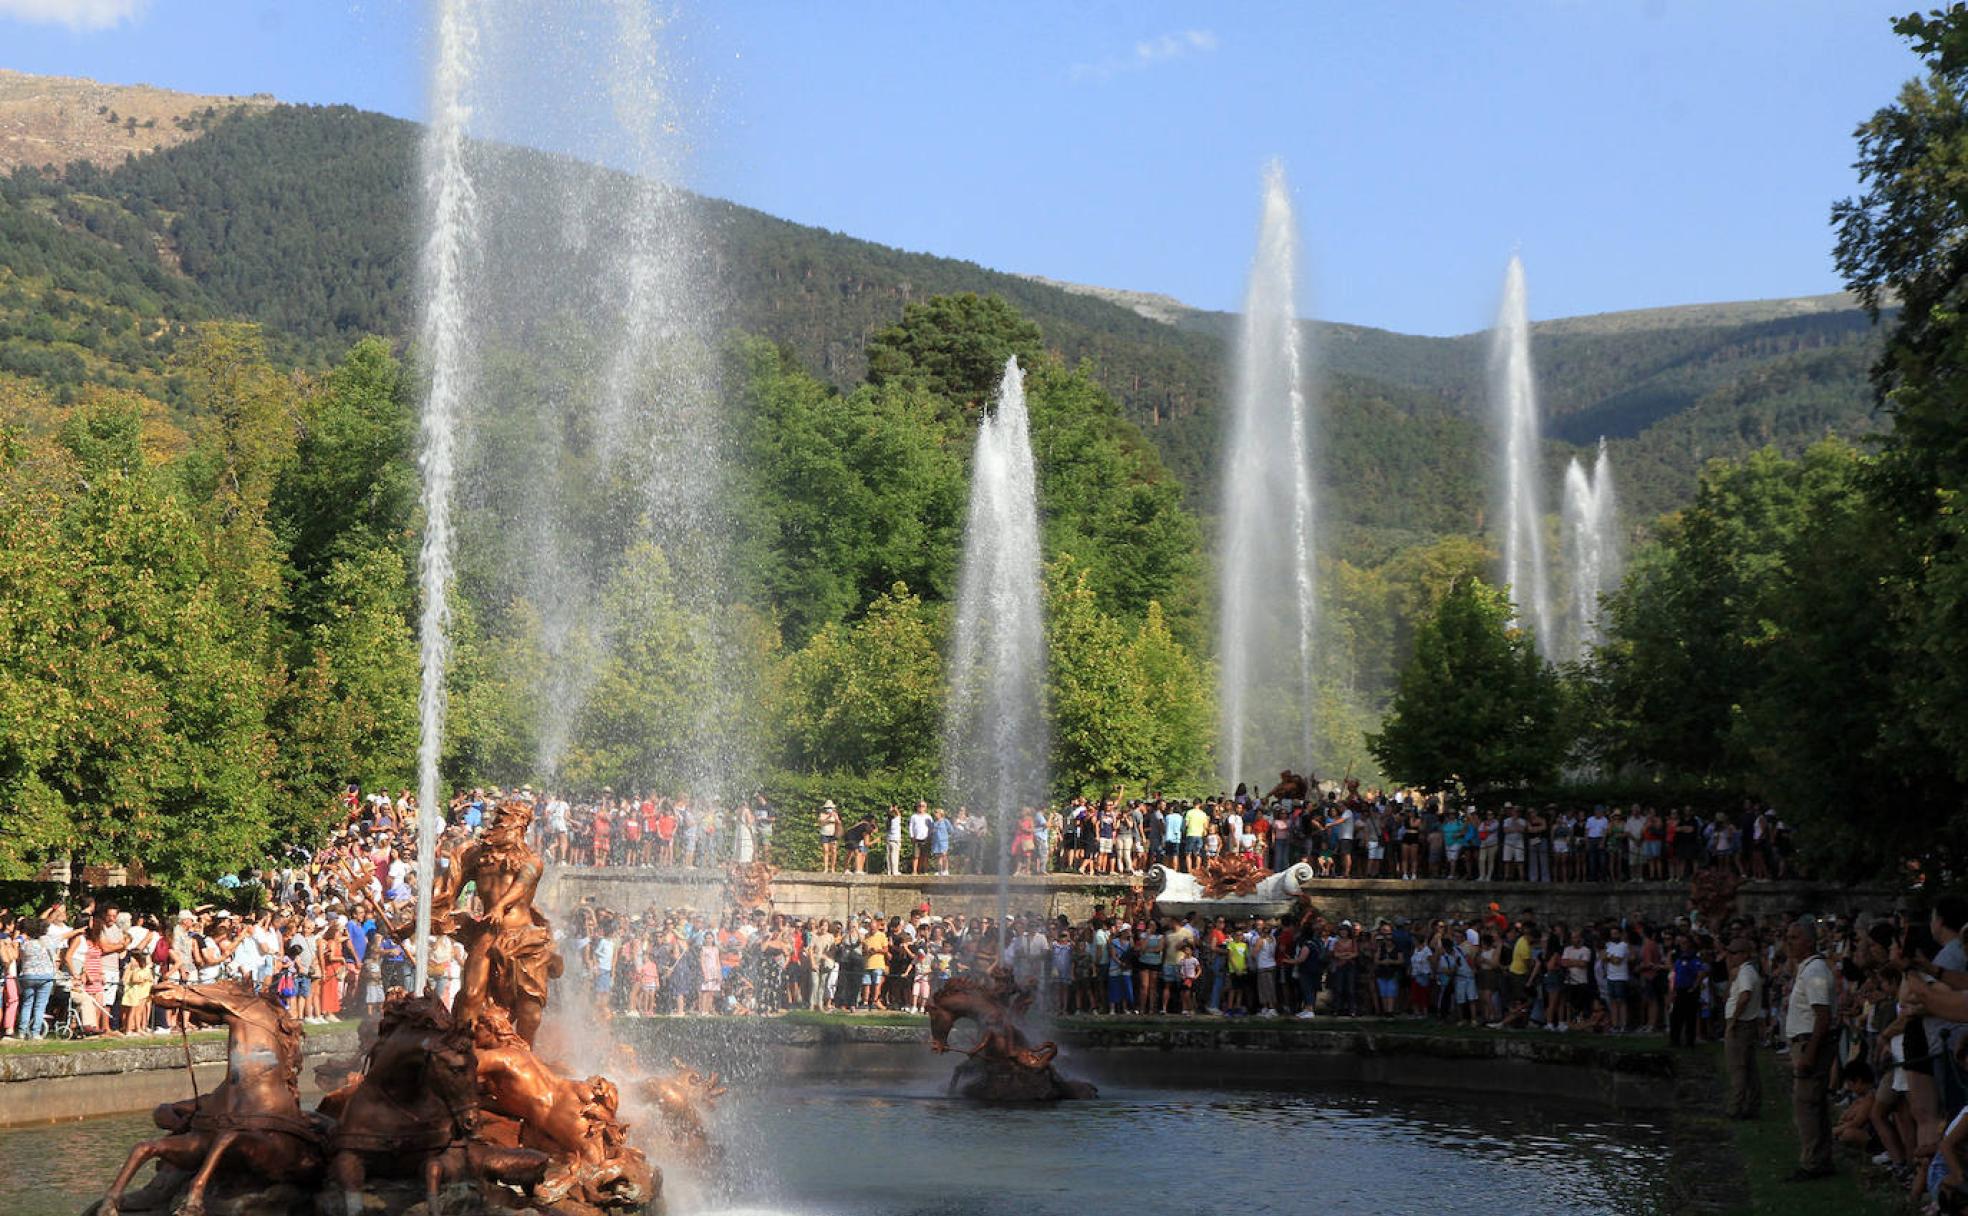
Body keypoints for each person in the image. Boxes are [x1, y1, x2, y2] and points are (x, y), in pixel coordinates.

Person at [1785, 916, 1836, 1180]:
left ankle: (1812, 1163)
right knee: (1811, 1103)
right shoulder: (1808, 968)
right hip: (1804, 1041)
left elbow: (1823, 1016)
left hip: (1810, 1042)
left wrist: (1809, 1052)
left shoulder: (1815, 971)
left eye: (1794, 938)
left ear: (1808, 940)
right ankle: (1819, 1158)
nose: (1788, 943)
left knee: (1807, 1104)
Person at [1723, 935, 1763, 1119]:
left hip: (1741, 1024)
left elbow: (1745, 995)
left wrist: (1733, 1020)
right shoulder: (1745, 971)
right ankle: (1751, 1105)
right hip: (1746, 1023)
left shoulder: (1746, 972)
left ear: (1745, 954)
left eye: (1735, 952)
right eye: (1729, 952)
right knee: (1748, 1067)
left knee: (1738, 1067)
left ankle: (1735, 1108)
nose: (1731, 956)